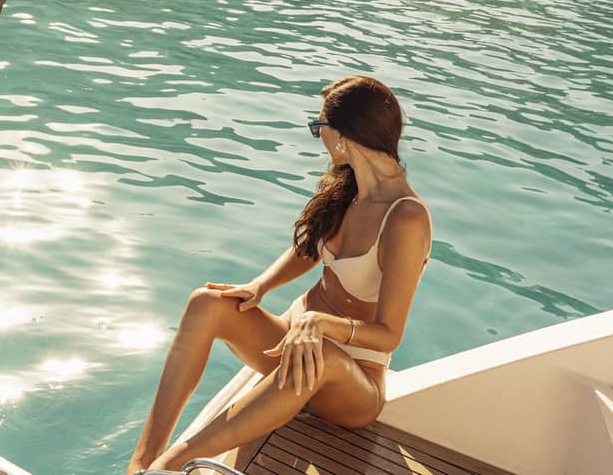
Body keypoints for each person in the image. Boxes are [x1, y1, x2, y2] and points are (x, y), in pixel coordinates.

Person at [127, 76, 431, 473]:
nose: (318, 136)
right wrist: (260, 286)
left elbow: (390, 334)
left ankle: (170, 465)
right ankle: (142, 461)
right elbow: (310, 249)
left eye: (318, 127)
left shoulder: (405, 218)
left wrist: (322, 324)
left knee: (322, 354)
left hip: (351, 381)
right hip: (292, 346)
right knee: (206, 304)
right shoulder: (350, 189)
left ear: (345, 135)